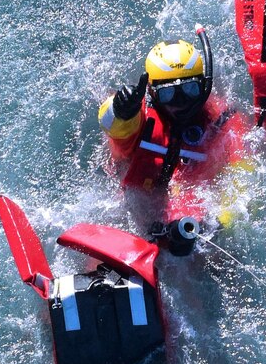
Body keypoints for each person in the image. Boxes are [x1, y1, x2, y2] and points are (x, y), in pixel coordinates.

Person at [97, 29, 255, 254]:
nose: (181, 103)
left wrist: (217, 224)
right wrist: (121, 110)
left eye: (190, 89)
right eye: (169, 94)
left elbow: (244, 181)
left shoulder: (223, 121)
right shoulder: (139, 116)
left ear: (203, 84)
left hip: (190, 226)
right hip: (131, 211)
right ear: (152, 92)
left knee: (213, 260)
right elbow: (113, 125)